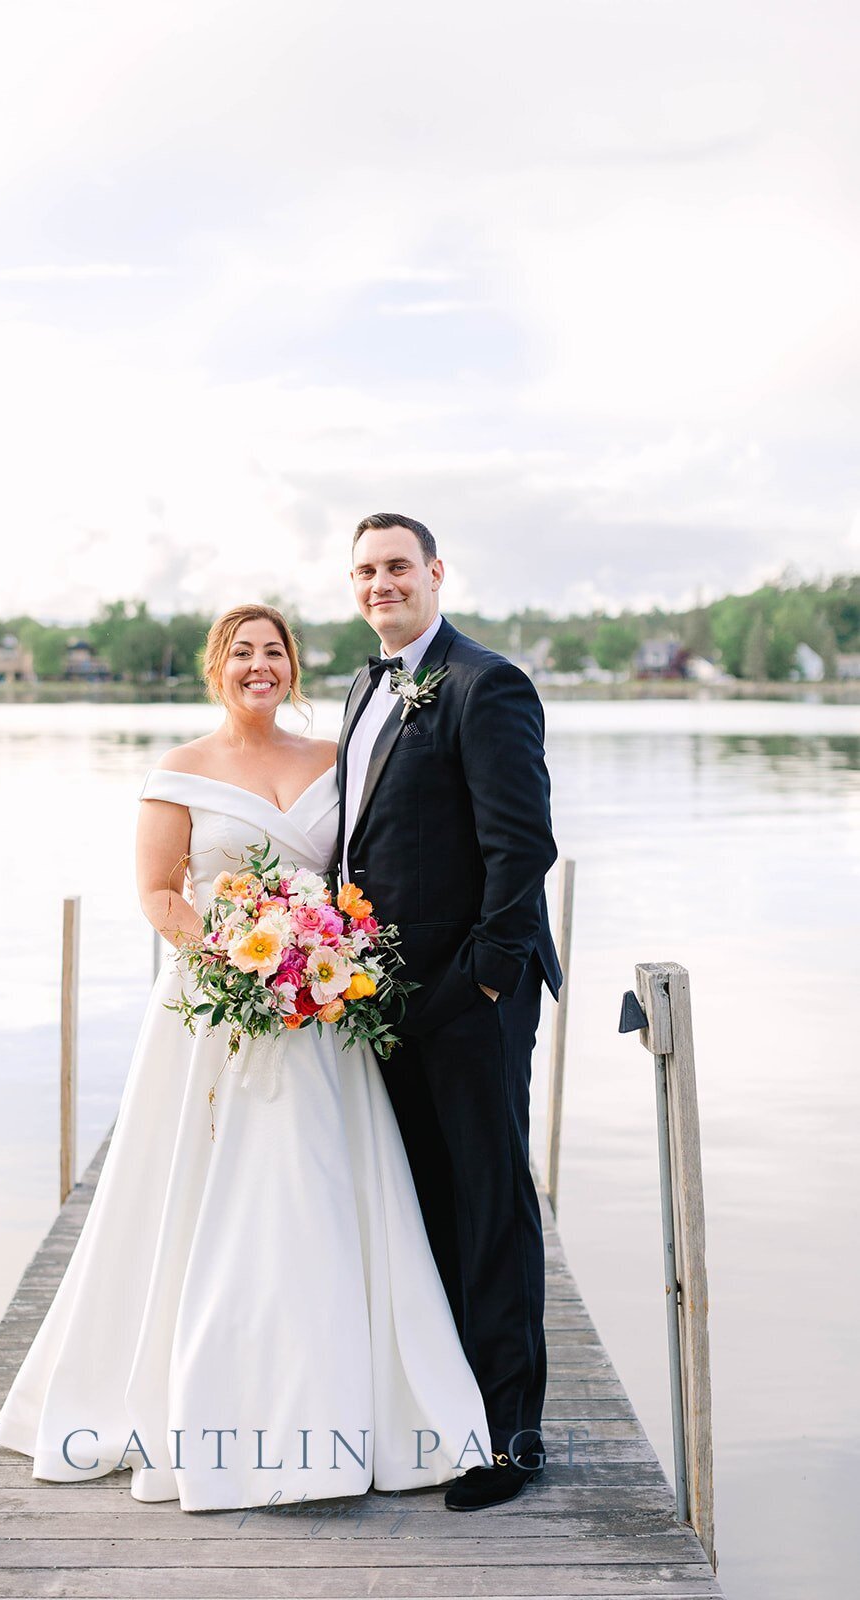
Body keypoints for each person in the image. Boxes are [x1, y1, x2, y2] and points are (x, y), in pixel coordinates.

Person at [0, 602, 490, 1510]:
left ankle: (349, 1403)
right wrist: (243, 962)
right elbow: (156, 893)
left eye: (275, 653)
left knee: (325, 1191)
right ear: (215, 667)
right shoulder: (176, 771)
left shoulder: (338, 763)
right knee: (196, 1193)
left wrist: (318, 960)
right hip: (219, 1011)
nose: (260, 667)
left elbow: (365, 880)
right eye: (242, 654)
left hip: (322, 1011)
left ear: (293, 668)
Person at [337, 515, 563, 1511]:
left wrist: (481, 977)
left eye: (396, 567)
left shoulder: (484, 682)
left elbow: (522, 849)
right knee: (423, 1197)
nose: (380, 583)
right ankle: (448, 1414)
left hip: (470, 998)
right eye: (365, 571)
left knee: (488, 1201)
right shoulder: (362, 684)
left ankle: (511, 1436)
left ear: (434, 573)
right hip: (385, 996)